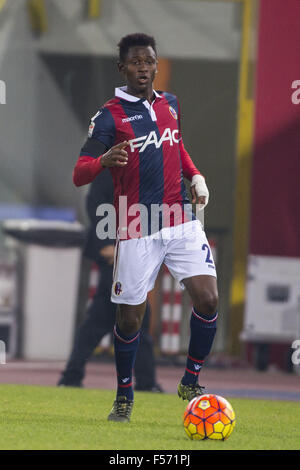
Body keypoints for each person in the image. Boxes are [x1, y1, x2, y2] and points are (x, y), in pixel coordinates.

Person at [73, 33, 218, 422]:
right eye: (135, 63)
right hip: (137, 224)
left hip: (180, 216)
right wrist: (103, 160)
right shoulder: (109, 115)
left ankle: (190, 379)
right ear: (122, 68)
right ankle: (124, 395)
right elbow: (79, 173)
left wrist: (196, 175)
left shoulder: (170, 102)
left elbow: (176, 144)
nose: (143, 68)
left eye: (148, 62)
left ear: (156, 64)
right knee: (130, 319)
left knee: (207, 300)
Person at [58, 169, 163, 392]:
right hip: (116, 256)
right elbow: (96, 204)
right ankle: (146, 382)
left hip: (127, 254)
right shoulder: (112, 171)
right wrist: (107, 244)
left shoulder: (136, 174)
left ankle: (71, 375)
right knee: (137, 320)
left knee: (98, 322)